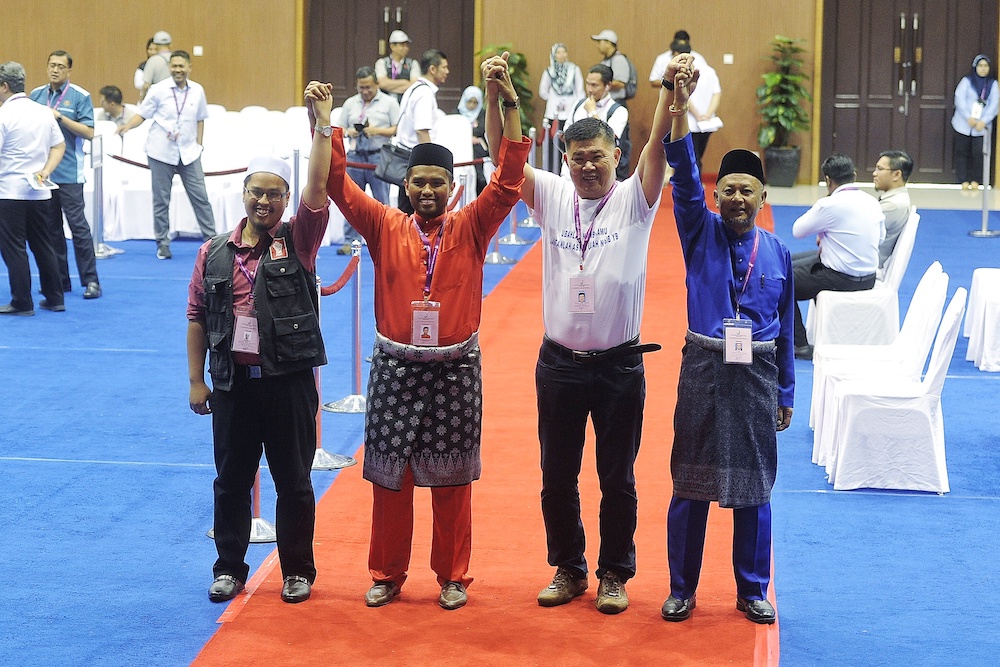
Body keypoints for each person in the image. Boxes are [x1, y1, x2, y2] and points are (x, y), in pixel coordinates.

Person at [325, 52, 529, 612]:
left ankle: (453, 576)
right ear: (406, 184)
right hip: (395, 368)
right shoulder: (383, 226)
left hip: (456, 368)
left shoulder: (472, 226)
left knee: (453, 482)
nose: (428, 191)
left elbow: (509, 179)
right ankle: (387, 574)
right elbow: (339, 186)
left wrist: (508, 101)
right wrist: (326, 122)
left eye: (438, 182)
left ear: (452, 185)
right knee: (389, 480)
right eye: (418, 182)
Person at [490, 45, 674, 616]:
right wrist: (502, 99)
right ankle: (568, 568)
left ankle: (614, 573)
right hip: (559, 364)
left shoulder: (636, 199)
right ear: (565, 160)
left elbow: (658, 143)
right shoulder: (552, 194)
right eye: (578, 159)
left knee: (617, 478)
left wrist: (670, 90)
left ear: (616, 155)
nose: (588, 167)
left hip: (619, 365)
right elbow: (504, 160)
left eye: (597, 157)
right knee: (556, 476)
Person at [186, 80, 335, 606]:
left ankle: (297, 571)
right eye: (257, 192)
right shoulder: (213, 252)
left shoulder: (299, 240)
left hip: (288, 383)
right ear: (243, 194)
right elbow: (196, 317)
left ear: (286, 200)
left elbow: (319, 187)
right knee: (230, 481)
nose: (264, 200)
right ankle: (229, 567)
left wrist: (322, 124)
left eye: (275, 194)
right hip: (232, 386)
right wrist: (196, 381)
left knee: (294, 482)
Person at [660, 54, 795, 626]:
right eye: (729, 190)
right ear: (717, 198)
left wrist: (786, 392)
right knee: (690, 482)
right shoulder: (700, 232)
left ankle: (752, 589)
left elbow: (787, 331)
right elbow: (684, 173)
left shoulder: (779, 254)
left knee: (755, 489)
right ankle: (682, 589)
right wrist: (679, 105)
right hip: (703, 369)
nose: (737, 198)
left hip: (758, 376)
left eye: (748, 191)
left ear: (763, 198)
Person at [117, 50, 217, 259]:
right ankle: (162, 243)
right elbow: (143, 114)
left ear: (189, 67)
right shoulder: (158, 89)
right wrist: (127, 126)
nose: (178, 70)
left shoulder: (197, 90)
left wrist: (199, 145)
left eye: (182, 66)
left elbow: (200, 118)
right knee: (161, 200)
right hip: (161, 151)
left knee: (201, 198)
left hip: (189, 152)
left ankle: (212, 243)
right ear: (169, 67)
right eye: (174, 66)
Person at [790, 154, 885, 359]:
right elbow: (881, 238)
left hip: (839, 277)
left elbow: (797, 231)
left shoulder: (829, 204)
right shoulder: (872, 201)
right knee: (788, 262)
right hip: (868, 277)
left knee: (782, 282)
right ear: (854, 175)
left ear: (827, 180)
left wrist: (824, 231)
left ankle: (800, 345)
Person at [30, 50, 102, 299]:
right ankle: (60, 280)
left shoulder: (80, 96)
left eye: (61, 66)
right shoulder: (36, 95)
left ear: (69, 70)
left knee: (78, 228)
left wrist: (59, 117)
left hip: (70, 174)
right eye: (52, 65)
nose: (55, 70)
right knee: (51, 230)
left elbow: (89, 132)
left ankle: (91, 281)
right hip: (44, 174)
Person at [0, 61, 66, 316]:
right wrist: (46, 170)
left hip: (10, 191)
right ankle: (55, 297)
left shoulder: (4, 114)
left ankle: (22, 301)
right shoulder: (43, 112)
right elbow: (58, 145)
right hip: (39, 190)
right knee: (43, 244)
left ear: (5, 86)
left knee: (14, 247)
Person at [334, 66, 400, 253]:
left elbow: (397, 128)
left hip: (379, 156)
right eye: (361, 87)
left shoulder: (389, 103)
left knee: (381, 200)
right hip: (355, 157)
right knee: (351, 201)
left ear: (377, 84)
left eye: (368, 87)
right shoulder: (350, 103)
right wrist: (350, 132)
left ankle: (385, 238)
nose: (365, 91)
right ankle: (350, 241)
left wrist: (376, 131)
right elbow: (340, 128)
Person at [390, 48, 449, 213]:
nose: (447, 71)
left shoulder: (414, 88)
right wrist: (431, 163)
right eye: (444, 67)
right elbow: (422, 131)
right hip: (416, 161)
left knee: (407, 210)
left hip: (408, 159)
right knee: (412, 212)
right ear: (432, 69)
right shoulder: (424, 93)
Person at [563, 65, 630, 181]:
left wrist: (592, 112)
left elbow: (607, 138)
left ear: (608, 86)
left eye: (594, 85)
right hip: (572, 170)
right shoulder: (578, 105)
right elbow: (566, 133)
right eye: (587, 84)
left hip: (600, 173)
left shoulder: (619, 111)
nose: (589, 89)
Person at [667, 41, 721, 174]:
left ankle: (696, 183)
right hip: (707, 122)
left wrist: (697, 115)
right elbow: (717, 94)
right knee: (697, 156)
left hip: (690, 122)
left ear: (677, 54)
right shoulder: (709, 70)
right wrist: (708, 114)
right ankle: (698, 181)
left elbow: (683, 95)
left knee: (693, 157)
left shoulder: (683, 72)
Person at [951, 55, 998, 190]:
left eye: (986, 66)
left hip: (982, 127)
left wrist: (984, 121)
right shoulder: (967, 81)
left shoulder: (993, 84)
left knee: (979, 154)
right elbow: (959, 99)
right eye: (980, 66)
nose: (983, 69)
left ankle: (977, 180)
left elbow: (994, 104)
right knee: (962, 152)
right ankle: (962, 180)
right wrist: (968, 117)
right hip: (963, 124)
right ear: (975, 67)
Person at [538, 43, 584, 173]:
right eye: (558, 52)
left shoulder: (574, 69)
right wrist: (555, 99)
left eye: (564, 52)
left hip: (569, 113)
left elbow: (580, 92)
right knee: (552, 147)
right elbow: (543, 92)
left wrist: (571, 103)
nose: (561, 55)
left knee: (569, 145)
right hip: (553, 114)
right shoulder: (549, 71)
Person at [872, 149, 913, 268]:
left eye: (880, 169)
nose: (874, 173)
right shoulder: (897, 199)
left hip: (863, 268)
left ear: (896, 175)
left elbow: (859, 234)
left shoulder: (892, 206)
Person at [456, 85, 487, 194]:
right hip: (460, 147)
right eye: (469, 101)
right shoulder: (456, 113)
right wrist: (467, 137)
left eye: (475, 103)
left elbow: (482, 130)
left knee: (479, 177)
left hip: (477, 149)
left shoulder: (483, 114)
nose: (472, 105)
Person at [375, 30, 421, 102]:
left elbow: (414, 85)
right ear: (392, 46)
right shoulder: (382, 63)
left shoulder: (412, 64)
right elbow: (382, 83)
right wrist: (404, 82)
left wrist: (389, 86)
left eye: (406, 45)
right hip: (385, 102)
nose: (406, 48)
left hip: (405, 102)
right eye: (402, 45)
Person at [591, 29, 636, 103]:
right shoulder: (606, 60)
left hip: (616, 102)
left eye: (599, 42)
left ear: (608, 43)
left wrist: (600, 85)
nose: (597, 45)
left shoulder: (618, 59)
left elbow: (620, 83)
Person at [141, 30, 173, 100]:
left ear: (155, 45)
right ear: (170, 45)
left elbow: (146, 85)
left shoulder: (153, 60)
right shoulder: (177, 58)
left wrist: (142, 100)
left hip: (158, 98)